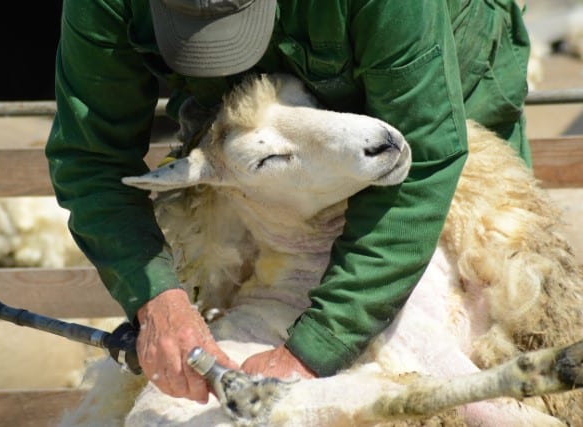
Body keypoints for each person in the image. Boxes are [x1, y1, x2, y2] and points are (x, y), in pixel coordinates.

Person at [46, 0, 531, 405]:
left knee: (493, 314)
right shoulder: (105, 4)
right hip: (270, 182)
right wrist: (157, 299)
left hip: (437, 94)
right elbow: (91, 158)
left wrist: (315, 347)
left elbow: (425, 153)